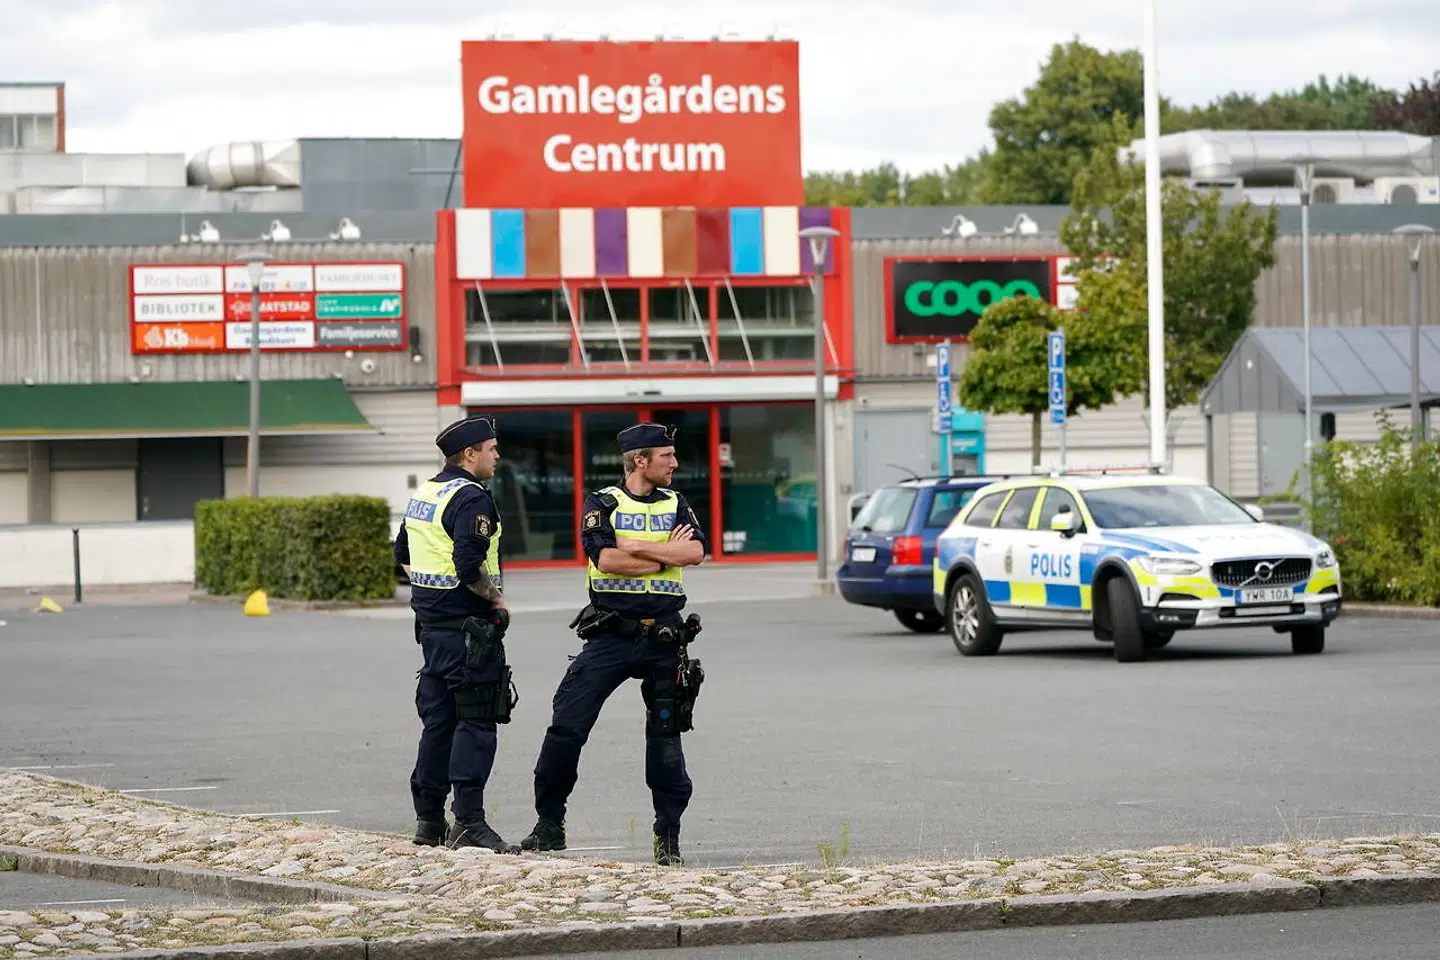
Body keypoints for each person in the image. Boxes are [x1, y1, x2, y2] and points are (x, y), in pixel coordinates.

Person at [519, 421, 708, 866]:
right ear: (640, 460)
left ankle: (668, 840)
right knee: (566, 727)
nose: (676, 464)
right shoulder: (602, 502)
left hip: (664, 636)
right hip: (610, 636)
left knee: (666, 739)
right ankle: (549, 827)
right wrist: (663, 551)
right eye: (667, 457)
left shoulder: (677, 502)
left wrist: (637, 549)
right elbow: (605, 558)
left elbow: (696, 553)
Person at [393, 414, 519, 853]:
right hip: (469, 632)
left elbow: (402, 553)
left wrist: (431, 597)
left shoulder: (426, 492)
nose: (497, 456)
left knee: (439, 724)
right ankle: (469, 820)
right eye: (492, 448)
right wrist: (495, 599)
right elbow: (468, 564)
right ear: (470, 454)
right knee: (476, 722)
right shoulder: (471, 498)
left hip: (432, 629)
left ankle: (428, 822)